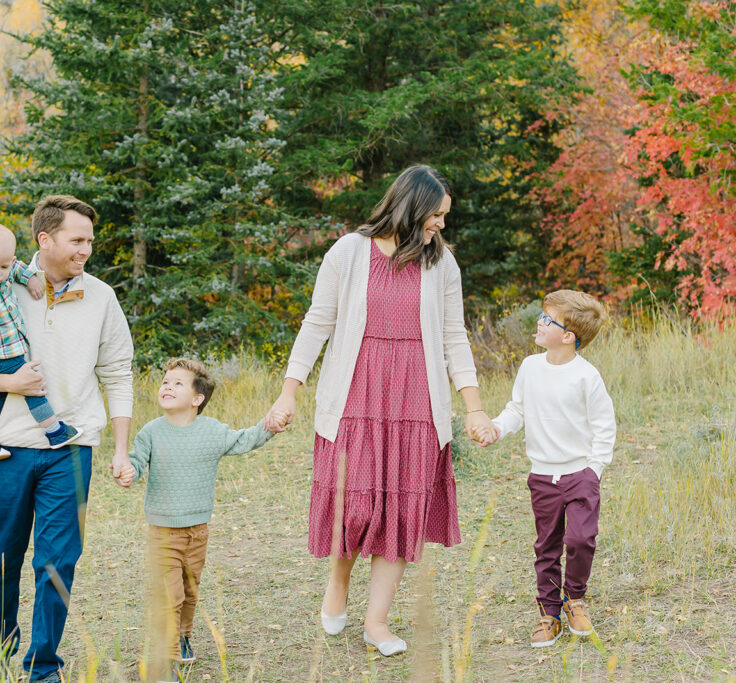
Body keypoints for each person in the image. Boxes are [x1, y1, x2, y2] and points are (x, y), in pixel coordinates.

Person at [265, 164, 494, 656]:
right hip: (355, 394)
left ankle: (377, 620)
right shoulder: (349, 251)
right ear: (411, 208)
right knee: (355, 503)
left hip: (416, 399)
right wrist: (289, 390)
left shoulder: (442, 264)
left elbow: (455, 336)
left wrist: (473, 408)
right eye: (437, 215)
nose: (441, 225)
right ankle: (338, 584)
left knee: (401, 508)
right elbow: (317, 322)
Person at [0, 196, 134, 682]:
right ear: (44, 240)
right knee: (1, 554)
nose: (86, 249)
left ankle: (43, 666)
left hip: (71, 447)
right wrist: (5, 383)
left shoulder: (101, 297)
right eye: (77, 239)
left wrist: (119, 447)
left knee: (58, 561)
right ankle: (0, 646)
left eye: (90, 240)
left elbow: (117, 372)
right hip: (8, 446)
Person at [118, 358, 281, 683]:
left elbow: (244, 439)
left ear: (197, 399)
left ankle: (183, 634)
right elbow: (135, 461)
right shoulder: (151, 432)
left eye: (178, 383)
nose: (167, 386)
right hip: (162, 531)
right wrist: (128, 471)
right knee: (170, 594)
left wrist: (270, 425)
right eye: (166, 381)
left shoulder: (212, 432)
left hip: (197, 530)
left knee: (190, 591)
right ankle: (167, 656)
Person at [479, 290, 615, 648]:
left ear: (568, 335)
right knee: (548, 546)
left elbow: (604, 425)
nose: (539, 323)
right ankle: (549, 613)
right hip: (543, 476)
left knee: (581, 539)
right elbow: (517, 410)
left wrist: (594, 469)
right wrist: (496, 427)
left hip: (580, 475)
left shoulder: (587, 376)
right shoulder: (529, 367)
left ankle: (575, 599)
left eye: (547, 320)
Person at [0, 222, 82, 460]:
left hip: (12, 347)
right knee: (32, 386)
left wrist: (29, 278)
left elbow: (17, 266)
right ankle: (55, 432)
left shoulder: (5, 271)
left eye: (4, 266)